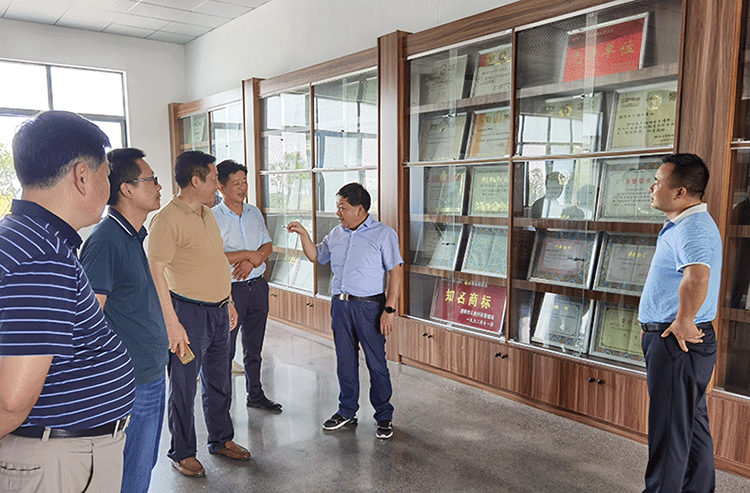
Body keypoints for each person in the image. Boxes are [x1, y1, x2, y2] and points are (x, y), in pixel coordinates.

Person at [0, 110, 135, 492]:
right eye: (107, 175)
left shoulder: (27, 237)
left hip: (58, 453)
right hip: (57, 462)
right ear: (82, 176)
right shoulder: (42, 257)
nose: (109, 187)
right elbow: (11, 401)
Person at [148, 150, 250, 479]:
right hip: (187, 313)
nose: (219, 185)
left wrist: (228, 300)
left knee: (219, 381)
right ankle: (182, 452)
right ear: (195, 181)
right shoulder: (167, 219)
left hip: (219, 311)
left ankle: (221, 439)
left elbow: (216, 260)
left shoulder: (207, 214)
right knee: (183, 387)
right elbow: (156, 273)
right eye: (214, 178)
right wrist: (172, 323)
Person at [80, 148, 169, 493]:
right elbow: (89, 322)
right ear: (127, 189)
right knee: (130, 474)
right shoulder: (106, 241)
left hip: (150, 373)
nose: (159, 186)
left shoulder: (132, 235)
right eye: (152, 180)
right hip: (131, 381)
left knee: (143, 466)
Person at [288, 182, 403, 440]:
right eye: (337, 207)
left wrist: (390, 309)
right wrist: (303, 233)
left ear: (360, 208)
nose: (338, 212)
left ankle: (384, 415)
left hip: (370, 307)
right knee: (345, 361)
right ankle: (347, 411)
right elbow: (317, 256)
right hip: (340, 306)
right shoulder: (336, 234)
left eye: (343, 207)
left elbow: (395, 273)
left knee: (376, 362)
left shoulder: (384, 234)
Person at [638, 153, 722, 493]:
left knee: (669, 435)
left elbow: (697, 276)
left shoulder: (693, 227)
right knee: (691, 427)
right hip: (680, 340)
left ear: (680, 192)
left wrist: (684, 320)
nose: (652, 187)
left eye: (658, 181)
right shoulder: (684, 223)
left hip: (679, 341)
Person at [213, 160, 281, 412]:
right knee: (226, 349)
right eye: (236, 183)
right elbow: (212, 258)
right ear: (221, 187)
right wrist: (246, 255)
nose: (242, 187)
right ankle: (223, 405)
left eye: (244, 182)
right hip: (230, 292)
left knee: (254, 347)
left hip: (258, 287)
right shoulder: (212, 218)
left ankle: (255, 394)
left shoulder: (254, 213)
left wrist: (253, 261)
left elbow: (267, 246)